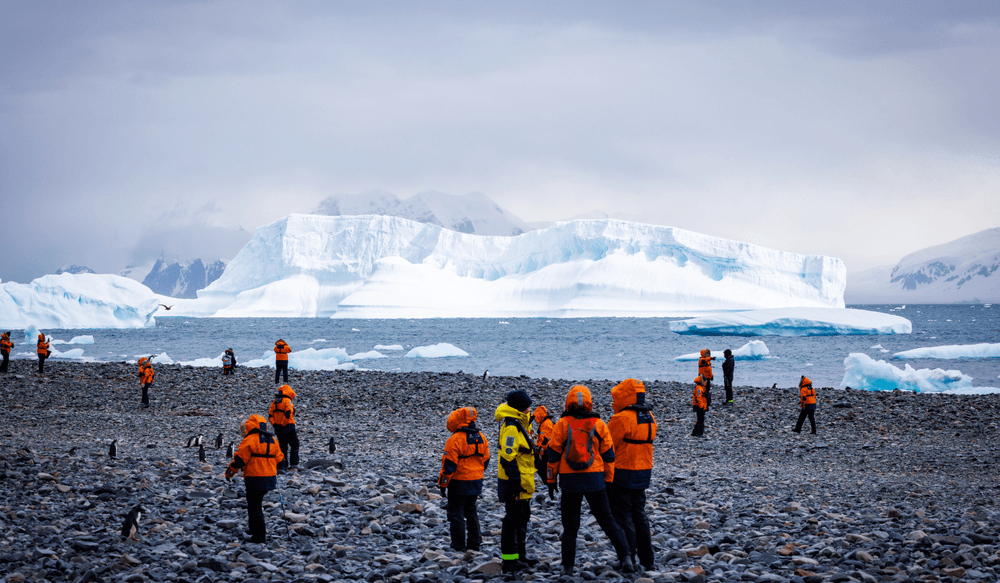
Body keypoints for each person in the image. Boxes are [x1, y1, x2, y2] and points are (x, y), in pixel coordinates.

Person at [546, 385, 633, 575]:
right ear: (589, 402)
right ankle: (626, 558)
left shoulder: (562, 424)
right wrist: (608, 481)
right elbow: (609, 455)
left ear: (568, 402)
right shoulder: (598, 424)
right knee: (607, 520)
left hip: (569, 480)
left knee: (570, 526)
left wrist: (551, 481)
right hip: (595, 478)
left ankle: (567, 568)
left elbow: (552, 455)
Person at [608, 379, 657, 571]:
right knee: (639, 514)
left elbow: (608, 445)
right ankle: (648, 560)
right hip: (643, 471)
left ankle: (627, 558)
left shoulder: (621, 419)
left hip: (623, 471)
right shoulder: (649, 416)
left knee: (622, 515)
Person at [494, 389, 538, 573]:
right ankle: (510, 560)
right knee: (512, 519)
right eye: (528, 405)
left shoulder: (520, 423)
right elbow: (508, 457)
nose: (530, 408)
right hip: (514, 480)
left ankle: (521, 555)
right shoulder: (512, 426)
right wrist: (515, 481)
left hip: (524, 479)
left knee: (523, 517)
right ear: (520, 407)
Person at [438, 406, 490, 552]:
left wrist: (443, 484)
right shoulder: (482, 437)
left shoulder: (455, 439)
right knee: (471, 511)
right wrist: (476, 473)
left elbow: (449, 465)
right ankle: (475, 543)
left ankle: (459, 545)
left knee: (456, 513)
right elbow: (485, 460)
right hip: (476, 481)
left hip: (458, 481)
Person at [225, 413, 284, 544]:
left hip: (254, 478)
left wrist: (229, 473)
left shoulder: (249, 440)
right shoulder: (272, 440)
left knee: (254, 506)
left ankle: (259, 537)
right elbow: (281, 463)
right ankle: (253, 530)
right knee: (255, 504)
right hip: (270, 479)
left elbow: (239, 461)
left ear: (249, 426)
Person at [268, 384, 299, 471]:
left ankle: (283, 465)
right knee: (295, 444)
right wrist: (283, 424)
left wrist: (275, 424)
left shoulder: (275, 401)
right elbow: (288, 413)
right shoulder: (287, 400)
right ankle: (294, 464)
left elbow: (270, 414)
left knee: (283, 446)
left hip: (278, 429)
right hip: (288, 426)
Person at [532, 405, 555, 473]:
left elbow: (544, 440)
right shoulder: (546, 422)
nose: (535, 420)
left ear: (539, 416)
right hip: (549, 450)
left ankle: (547, 482)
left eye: (536, 418)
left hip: (547, 452)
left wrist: (540, 453)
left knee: (542, 469)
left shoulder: (546, 424)